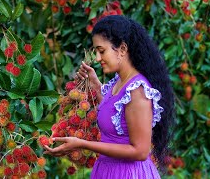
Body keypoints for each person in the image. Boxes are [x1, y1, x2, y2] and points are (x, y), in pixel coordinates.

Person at [43, 15, 175, 179]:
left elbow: (140, 151)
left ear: (122, 49)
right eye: (96, 52)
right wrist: (97, 87)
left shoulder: (137, 91)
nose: (98, 59)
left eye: (101, 51)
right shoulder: (119, 82)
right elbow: (115, 119)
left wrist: (83, 144)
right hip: (107, 170)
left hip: (128, 174)